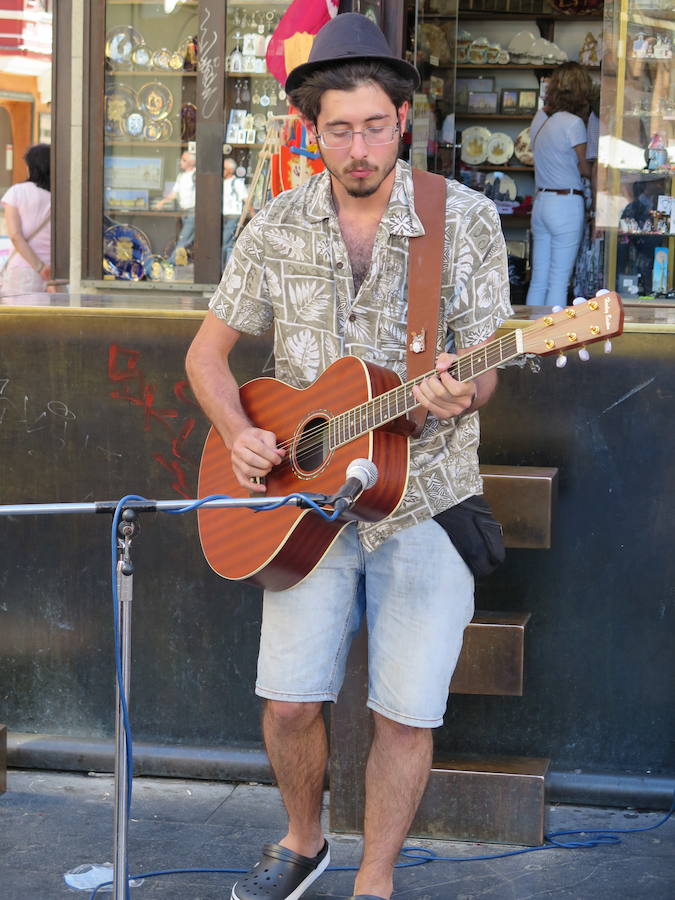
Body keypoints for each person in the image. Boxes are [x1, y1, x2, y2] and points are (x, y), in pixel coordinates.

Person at [186, 13, 512, 900]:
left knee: (402, 716)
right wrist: (237, 433)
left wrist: (459, 387)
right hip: (299, 500)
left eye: (374, 126)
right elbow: (206, 357)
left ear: (403, 120)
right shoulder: (277, 224)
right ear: (310, 128)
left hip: (424, 496)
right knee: (290, 701)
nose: (359, 146)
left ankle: (375, 877)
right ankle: (304, 840)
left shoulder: (465, 221)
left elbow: (486, 367)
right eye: (339, 129)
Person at [525, 62, 593, 306]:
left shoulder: (540, 118)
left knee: (539, 280)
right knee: (559, 281)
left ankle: (530, 338)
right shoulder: (573, 123)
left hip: (541, 201)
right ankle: (553, 342)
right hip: (566, 203)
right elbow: (585, 168)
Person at [1, 143, 51, 296]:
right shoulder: (63, 194)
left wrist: (40, 267)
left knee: (21, 318)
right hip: (56, 272)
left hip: (23, 270)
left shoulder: (16, 192)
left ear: (31, 167)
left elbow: (15, 235)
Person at [155, 150, 196, 264]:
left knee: (184, 239)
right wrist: (162, 202)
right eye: (181, 159)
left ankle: (169, 264)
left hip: (193, 212)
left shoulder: (195, 175)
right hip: (184, 212)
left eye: (184, 160)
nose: (181, 162)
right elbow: (174, 193)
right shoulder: (181, 176)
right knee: (186, 239)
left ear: (191, 163)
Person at [221, 157, 247, 269]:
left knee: (225, 243)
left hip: (233, 216)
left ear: (231, 170)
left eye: (224, 168)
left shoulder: (236, 182)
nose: (222, 171)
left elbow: (246, 199)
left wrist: (253, 214)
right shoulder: (221, 182)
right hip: (222, 216)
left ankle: (223, 269)